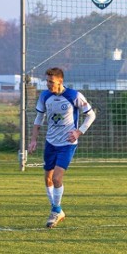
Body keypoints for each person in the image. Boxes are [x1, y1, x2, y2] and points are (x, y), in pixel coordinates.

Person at [28, 67, 96, 228]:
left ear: (60, 81)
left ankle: (56, 211)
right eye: (47, 81)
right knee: (48, 179)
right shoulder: (45, 96)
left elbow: (91, 115)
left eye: (51, 82)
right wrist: (33, 140)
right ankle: (57, 210)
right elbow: (39, 118)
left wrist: (79, 132)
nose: (48, 84)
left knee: (57, 178)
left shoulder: (74, 96)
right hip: (50, 142)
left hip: (67, 143)